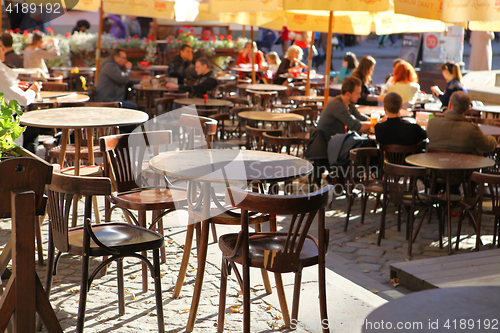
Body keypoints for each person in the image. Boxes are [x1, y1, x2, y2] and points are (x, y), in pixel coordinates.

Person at [0, 39, 42, 153]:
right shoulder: (0, 70)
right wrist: (33, 90)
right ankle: (24, 167)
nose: (4, 50)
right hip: (3, 130)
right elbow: (24, 100)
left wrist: (15, 87)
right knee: (33, 129)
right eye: (1, 47)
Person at [427, 91, 496, 155]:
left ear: (450, 105)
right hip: (462, 167)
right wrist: (493, 139)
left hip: (434, 166)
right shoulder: (472, 129)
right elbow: (488, 146)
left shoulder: (432, 123)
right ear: (467, 108)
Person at [317, 76, 371, 141]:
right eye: (357, 94)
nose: (359, 96)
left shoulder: (348, 102)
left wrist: (372, 120)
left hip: (337, 141)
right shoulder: (338, 105)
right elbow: (356, 126)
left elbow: (358, 116)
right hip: (327, 144)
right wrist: (376, 124)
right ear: (348, 94)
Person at [95, 47, 137, 112]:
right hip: (108, 101)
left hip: (113, 99)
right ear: (116, 58)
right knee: (133, 107)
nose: (126, 60)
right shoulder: (110, 66)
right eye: (124, 58)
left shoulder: (114, 66)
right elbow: (123, 79)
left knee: (132, 104)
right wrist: (128, 69)